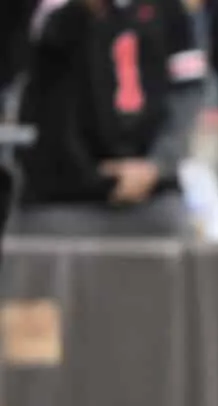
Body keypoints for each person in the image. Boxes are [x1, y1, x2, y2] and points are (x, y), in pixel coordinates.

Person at [16, 0, 206, 238]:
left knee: (176, 236)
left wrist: (157, 165)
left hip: (150, 197)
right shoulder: (48, 9)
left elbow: (187, 92)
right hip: (62, 200)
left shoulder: (168, 9)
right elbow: (37, 50)